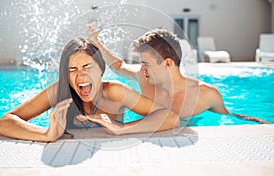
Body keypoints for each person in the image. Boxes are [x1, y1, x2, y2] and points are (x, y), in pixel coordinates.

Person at [0, 37, 179, 142]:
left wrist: (121, 129)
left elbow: (170, 117)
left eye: (87, 67)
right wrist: (46, 134)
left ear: (101, 69)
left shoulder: (114, 92)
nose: (80, 76)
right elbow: (4, 122)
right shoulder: (60, 91)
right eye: (72, 70)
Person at [84, 25, 269, 127]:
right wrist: (96, 42)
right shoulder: (144, 78)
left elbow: (228, 118)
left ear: (168, 63)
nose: (142, 69)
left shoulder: (206, 95)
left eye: (146, 64)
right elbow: (118, 66)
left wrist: (259, 122)